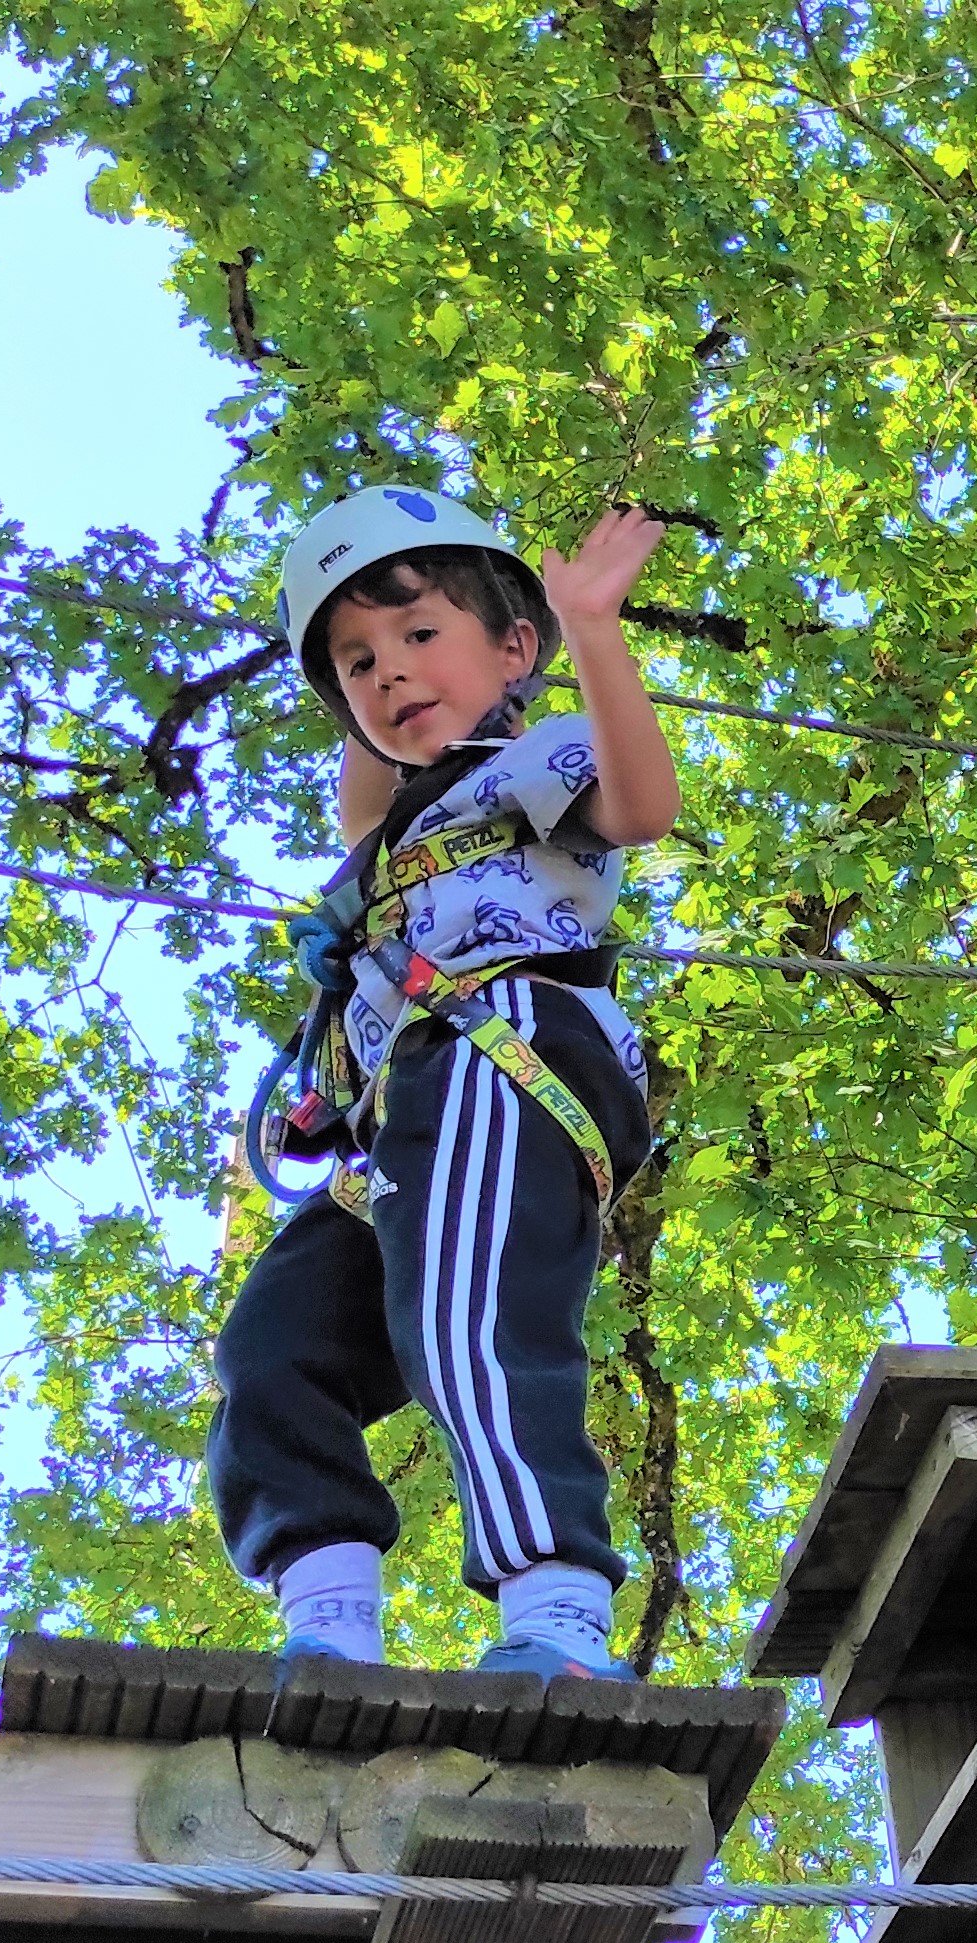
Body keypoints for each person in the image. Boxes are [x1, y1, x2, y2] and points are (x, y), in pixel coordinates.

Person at [208, 485, 681, 1676]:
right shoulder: (381, 826)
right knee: (274, 1347)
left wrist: (587, 629)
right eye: (359, 662)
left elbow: (643, 804)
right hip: (394, 1118)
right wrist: (363, 676)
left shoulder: (542, 756)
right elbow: (366, 782)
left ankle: (555, 1614)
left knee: (471, 1318)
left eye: (421, 637)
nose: (390, 673)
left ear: (512, 651)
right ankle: (326, 1613)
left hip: (503, 1046)